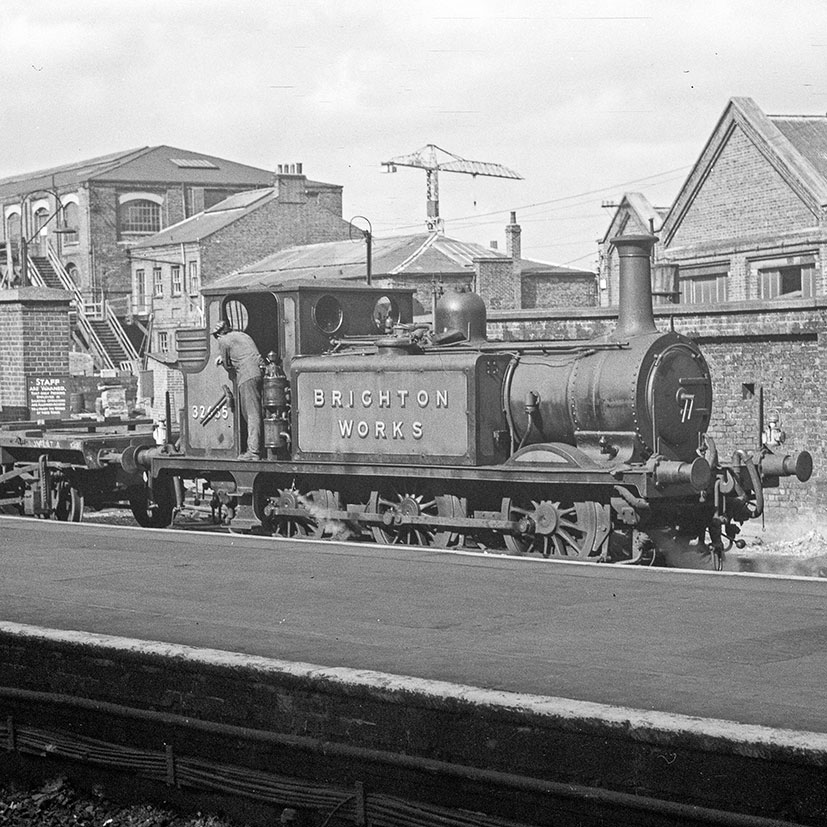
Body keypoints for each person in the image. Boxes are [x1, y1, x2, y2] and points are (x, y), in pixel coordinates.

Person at [212, 319, 263, 460]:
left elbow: (227, 365)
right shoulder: (242, 335)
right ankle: (256, 447)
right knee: (255, 412)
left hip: (247, 376)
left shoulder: (223, 341)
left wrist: (222, 360)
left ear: (218, 335)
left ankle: (253, 452)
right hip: (259, 372)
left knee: (251, 414)